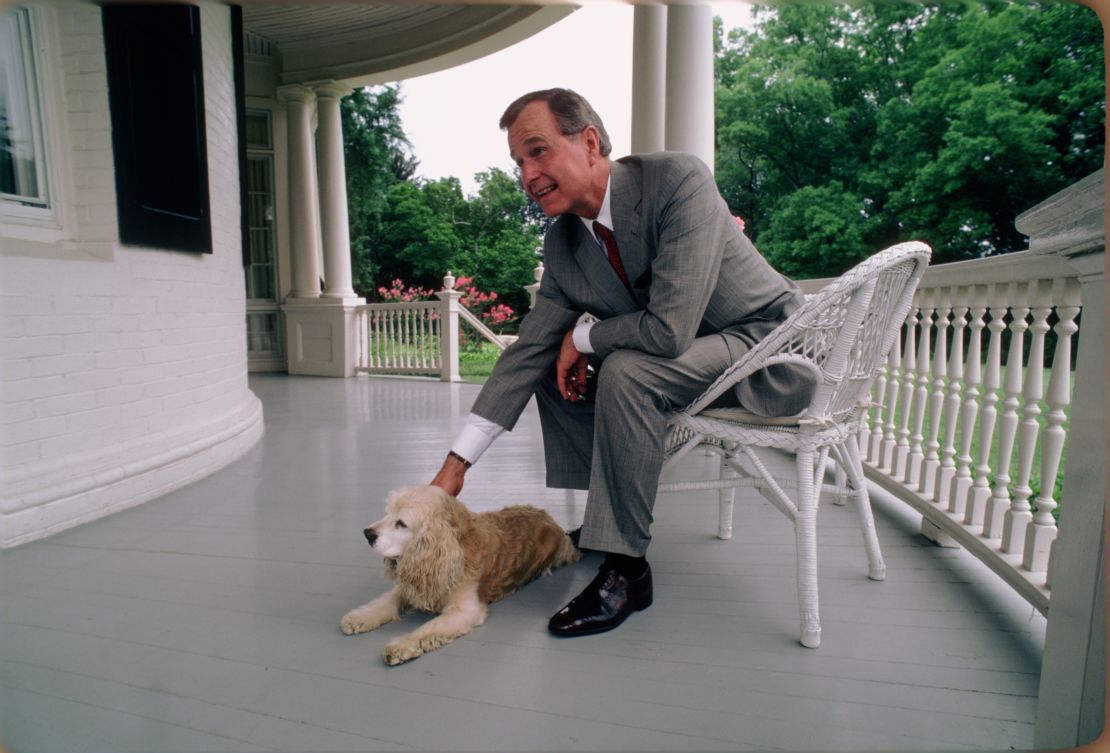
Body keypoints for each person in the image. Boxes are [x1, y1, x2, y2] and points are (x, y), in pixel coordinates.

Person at [430, 88, 812, 637]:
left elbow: (667, 330)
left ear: (588, 142)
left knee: (628, 369)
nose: (527, 175)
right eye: (517, 162)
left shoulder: (677, 182)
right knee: (546, 366)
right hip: (689, 362)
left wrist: (584, 337)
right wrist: (454, 468)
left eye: (537, 152)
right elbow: (527, 351)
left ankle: (627, 571)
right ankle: (614, 520)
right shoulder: (563, 241)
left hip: (764, 348)